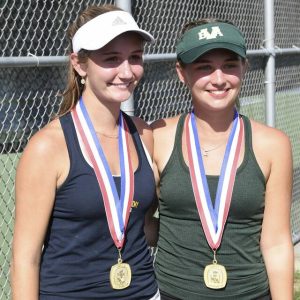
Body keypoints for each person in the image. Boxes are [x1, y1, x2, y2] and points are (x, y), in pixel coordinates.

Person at [10, 5, 160, 299]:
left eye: (135, 57)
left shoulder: (144, 134)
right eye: (112, 59)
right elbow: (25, 260)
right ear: (80, 64)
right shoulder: (48, 147)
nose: (127, 71)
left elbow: (139, 224)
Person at [151, 19, 294, 299]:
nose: (219, 79)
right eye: (204, 67)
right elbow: (139, 224)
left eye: (229, 65)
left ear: (245, 67)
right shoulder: (158, 136)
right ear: (182, 72)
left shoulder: (273, 144)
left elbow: (276, 242)